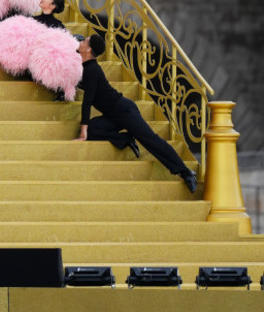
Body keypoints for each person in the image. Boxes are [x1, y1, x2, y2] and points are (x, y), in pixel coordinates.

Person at [76, 34, 198, 193]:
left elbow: (88, 101)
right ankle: (125, 139)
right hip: (112, 115)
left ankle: (185, 172)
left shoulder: (92, 69)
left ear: (89, 49)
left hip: (124, 110)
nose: (81, 41)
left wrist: (82, 129)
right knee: (92, 130)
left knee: (149, 139)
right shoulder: (83, 66)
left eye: (84, 41)